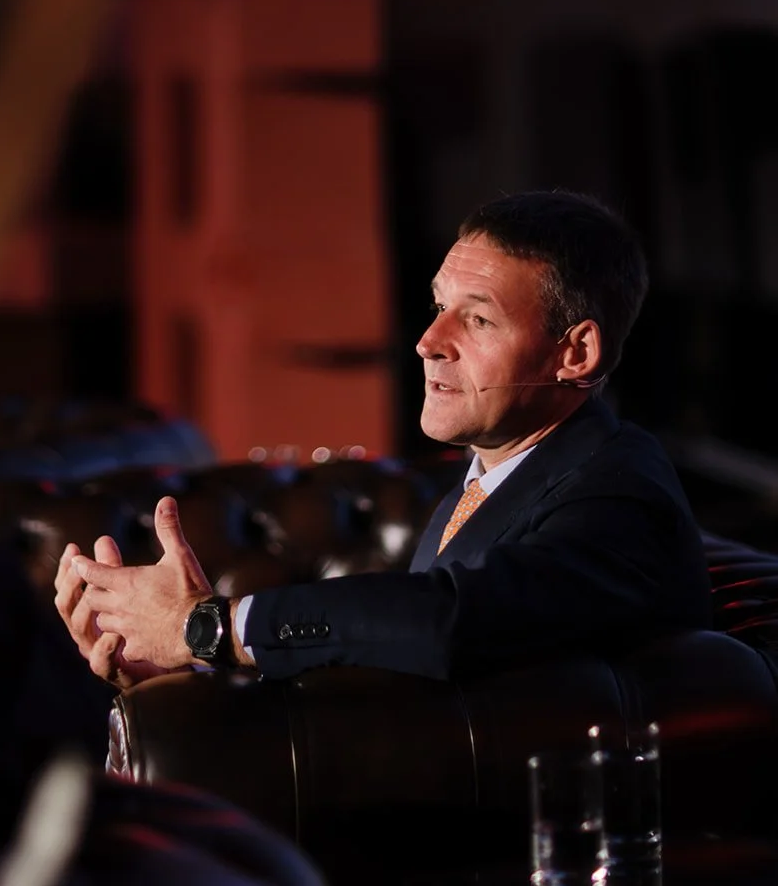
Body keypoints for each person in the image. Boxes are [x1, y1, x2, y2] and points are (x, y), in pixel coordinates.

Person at [54, 190, 713, 687]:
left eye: (477, 320)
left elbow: (454, 621)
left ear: (575, 353)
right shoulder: (498, 473)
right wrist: (182, 668)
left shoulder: (620, 492)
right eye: (437, 308)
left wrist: (207, 627)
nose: (428, 343)